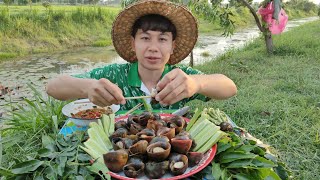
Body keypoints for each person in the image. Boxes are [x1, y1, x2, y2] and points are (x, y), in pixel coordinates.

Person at [46, 0, 237, 111]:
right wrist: (88, 87)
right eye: (145, 38)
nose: (153, 48)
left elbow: (229, 87)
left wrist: (197, 83)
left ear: (173, 46)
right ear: (132, 43)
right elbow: (53, 87)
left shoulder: (179, 78)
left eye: (162, 40)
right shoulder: (114, 76)